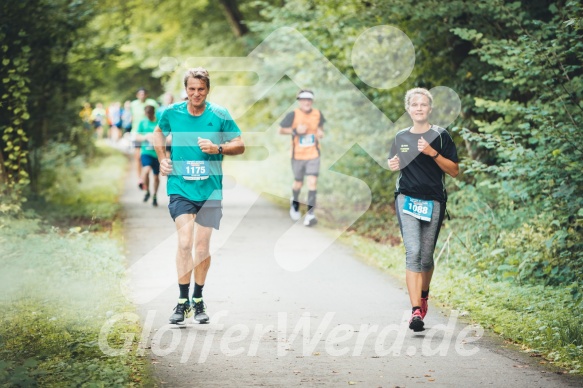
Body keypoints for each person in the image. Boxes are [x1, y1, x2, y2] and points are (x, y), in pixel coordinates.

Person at [153, 67, 245, 325]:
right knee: (184, 242)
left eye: (201, 89)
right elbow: (158, 132)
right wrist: (163, 159)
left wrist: (218, 147)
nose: (196, 94)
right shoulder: (172, 113)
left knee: (202, 246)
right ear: (186, 89)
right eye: (191, 89)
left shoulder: (219, 114)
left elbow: (240, 144)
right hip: (180, 187)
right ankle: (182, 302)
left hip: (210, 189)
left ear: (208, 90)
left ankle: (198, 298)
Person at [387, 88, 459, 332]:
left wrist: (433, 153)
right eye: (414, 104)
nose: (419, 108)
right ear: (408, 109)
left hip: (433, 201)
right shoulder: (400, 136)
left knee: (426, 257)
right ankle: (416, 311)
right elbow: (394, 162)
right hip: (406, 199)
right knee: (413, 251)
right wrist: (392, 164)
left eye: (423, 104)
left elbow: (454, 170)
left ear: (430, 108)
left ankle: (424, 295)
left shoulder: (440, 136)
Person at [278, 89, 325, 226]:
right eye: (304, 100)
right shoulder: (293, 115)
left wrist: (320, 133)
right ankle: (295, 201)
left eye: (309, 100)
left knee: (312, 182)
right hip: (297, 155)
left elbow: (321, 128)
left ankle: (310, 215)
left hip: (313, 154)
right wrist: (295, 131)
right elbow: (280, 130)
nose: (307, 102)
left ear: (312, 101)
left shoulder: (317, 114)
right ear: (299, 101)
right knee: (298, 183)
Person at [131, 88, 159, 189]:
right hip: (137, 131)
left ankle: (144, 177)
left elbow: (157, 114)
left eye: (144, 94)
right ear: (137, 95)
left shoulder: (152, 103)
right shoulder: (133, 104)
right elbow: (131, 116)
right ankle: (140, 178)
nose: (142, 95)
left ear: (146, 95)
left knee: (146, 155)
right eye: (140, 94)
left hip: (150, 134)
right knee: (138, 157)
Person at [135, 104, 160, 207]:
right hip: (146, 152)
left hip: (158, 153)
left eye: (150, 114)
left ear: (153, 113)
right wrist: (145, 137)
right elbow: (137, 136)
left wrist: (157, 138)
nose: (148, 116)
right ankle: (147, 190)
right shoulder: (142, 122)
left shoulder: (159, 121)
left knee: (156, 176)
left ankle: (154, 195)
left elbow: (166, 134)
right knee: (146, 170)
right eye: (147, 114)